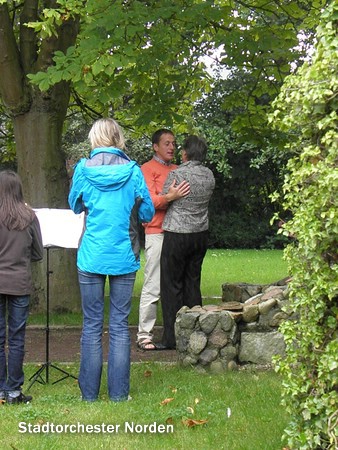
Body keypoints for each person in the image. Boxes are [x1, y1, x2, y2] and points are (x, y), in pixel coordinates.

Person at [68, 118, 154, 402]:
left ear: (95, 139)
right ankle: (119, 395)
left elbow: (75, 204)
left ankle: (89, 396)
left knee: (91, 324)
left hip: (91, 255)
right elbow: (147, 213)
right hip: (124, 255)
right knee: (118, 325)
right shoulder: (133, 171)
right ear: (118, 139)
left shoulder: (82, 169)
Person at [160, 135, 215, 349]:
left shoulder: (178, 174)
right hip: (200, 233)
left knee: (171, 285)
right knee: (193, 282)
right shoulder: (209, 175)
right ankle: (196, 334)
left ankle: (172, 339)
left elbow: (165, 199)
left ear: (186, 153)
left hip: (177, 233)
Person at [137, 129, 190, 351]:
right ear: (155, 147)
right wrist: (170, 197)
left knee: (178, 285)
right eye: (166, 143)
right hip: (157, 232)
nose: (171, 147)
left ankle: (179, 332)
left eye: (174, 143)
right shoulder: (146, 169)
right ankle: (144, 334)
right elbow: (147, 202)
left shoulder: (178, 170)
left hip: (178, 234)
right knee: (153, 283)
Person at [0, 170, 43, 404]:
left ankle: (0, 389)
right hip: (20, 282)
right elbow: (37, 253)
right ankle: (14, 390)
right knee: (16, 338)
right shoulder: (29, 216)